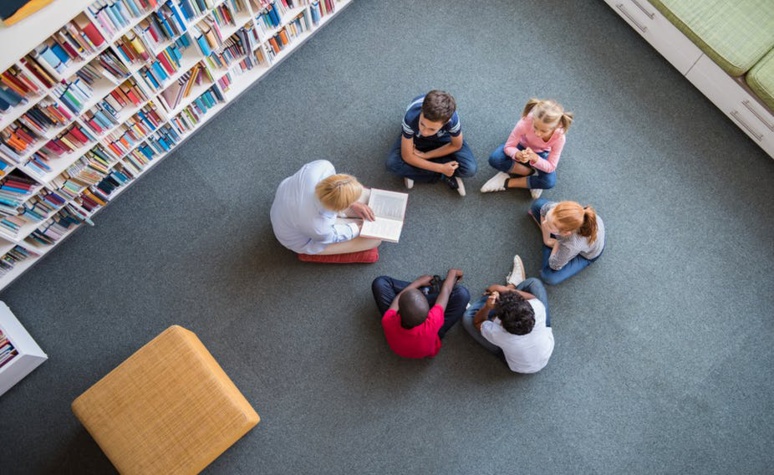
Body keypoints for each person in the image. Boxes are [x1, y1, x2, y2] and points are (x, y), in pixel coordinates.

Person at [462, 255, 554, 373]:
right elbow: (532, 298)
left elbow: (477, 322)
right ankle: (509, 288)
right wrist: (502, 289)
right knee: (533, 283)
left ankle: (501, 294)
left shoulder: (498, 334)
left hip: (517, 365)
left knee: (468, 318)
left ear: (501, 323)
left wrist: (488, 306)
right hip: (544, 353)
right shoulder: (537, 307)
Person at [270, 160, 382, 255]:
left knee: (367, 199)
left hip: (289, 203)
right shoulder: (318, 227)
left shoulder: (322, 167)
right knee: (374, 241)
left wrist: (354, 203)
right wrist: (358, 228)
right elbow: (333, 235)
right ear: (339, 208)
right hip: (302, 237)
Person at [386, 90, 477, 196]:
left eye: (431, 129)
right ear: (421, 112)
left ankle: (415, 171)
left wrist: (425, 155)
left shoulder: (452, 120)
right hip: (416, 138)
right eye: (422, 124)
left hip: (443, 137)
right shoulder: (410, 117)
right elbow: (407, 156)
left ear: (446, 122)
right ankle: (444, 175)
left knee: (470, 169)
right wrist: (441, 168)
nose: (424, 132)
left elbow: (456, 145)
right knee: (392, 163)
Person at [480, 98, 573, 199]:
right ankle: (530, 173)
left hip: (541, 153)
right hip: (521, 145)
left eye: (543, 131)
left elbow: (551, 166)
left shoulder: (560, 137)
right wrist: (517, 154)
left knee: (549, 182)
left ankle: (506, 182)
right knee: (495, 159)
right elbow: (509, 146)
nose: (537, 133)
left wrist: (535, 158)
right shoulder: (526, 121)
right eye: (535, 127)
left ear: (557, 126)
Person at [371, 269, 470, 358]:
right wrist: (452, 273)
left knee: (380, 283)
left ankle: (422, 292)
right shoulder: (432, 321)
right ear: (428, 313)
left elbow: (398, 299)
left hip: (402, 343)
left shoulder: (388, 319)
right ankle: (426, 293)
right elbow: (446, 291)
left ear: (398, 311)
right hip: (432, 335)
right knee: (462, 294)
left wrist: (418, 282)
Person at [529, 198, 605, 285]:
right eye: (547, 218)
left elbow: (554, 265)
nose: (544, 223)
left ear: (565, 233)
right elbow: (543, 210)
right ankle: (554, 242)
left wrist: (558, 242)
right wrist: (547, 240)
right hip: (573, 240)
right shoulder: (554, 208)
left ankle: (557, 248)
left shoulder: (570, 245)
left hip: (587, 254)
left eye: (549, 226)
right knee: (537, 205)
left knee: (548, 276)